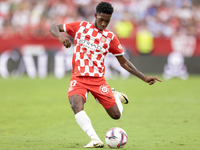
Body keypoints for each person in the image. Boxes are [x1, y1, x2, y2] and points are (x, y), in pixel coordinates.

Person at [50, 1, 162, 148]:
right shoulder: (81, 27)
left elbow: (124, 62)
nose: (103, 24)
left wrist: (143, 77)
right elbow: (54, 27)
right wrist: (60, 36)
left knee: (116, 115)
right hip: (78, 78)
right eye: (101, 20)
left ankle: (115, 96)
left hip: (97, 80)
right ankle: (95, 139)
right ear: (95, 15)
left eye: (107, 21)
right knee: (75, 105)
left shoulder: (110, 38)